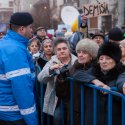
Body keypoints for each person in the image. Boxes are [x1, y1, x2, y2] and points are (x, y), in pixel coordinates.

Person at [73, 42, 125, 125]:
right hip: (94, 118)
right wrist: (95, 81)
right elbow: (77, 74)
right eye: (101, 58)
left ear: (115, 60)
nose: (104, 61)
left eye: (108, 58)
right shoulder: (95, 69)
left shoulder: (121, 72)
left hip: (114, 118)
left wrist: (111, 90)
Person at [0, 12, 38, 125]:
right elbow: (22, 88)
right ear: (22, 29)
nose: (32, 30)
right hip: (13, 114)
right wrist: (32, 120)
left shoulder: (5, 44)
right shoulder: (15, 50)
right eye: (30, 27)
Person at [55, 38, 102, 125]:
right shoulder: (75, 66)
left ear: (92, 55)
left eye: (84, 52)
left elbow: (79, 75)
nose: (80, 55)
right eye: (79, 52)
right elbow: (60, 93)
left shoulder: (97, 68)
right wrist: (61, 78)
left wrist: (94, 80)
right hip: (74, 110)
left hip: (89, 111)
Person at [38, 37, 77, 125]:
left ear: (69, 49)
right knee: (57, 119)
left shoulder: (76, 61)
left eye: (64, 48)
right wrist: (51, 69)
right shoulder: (52, 61)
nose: (62, 51)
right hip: (58, 99)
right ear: (55, 52)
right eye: (59, 49)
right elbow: (40, 78)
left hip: (74, 98)